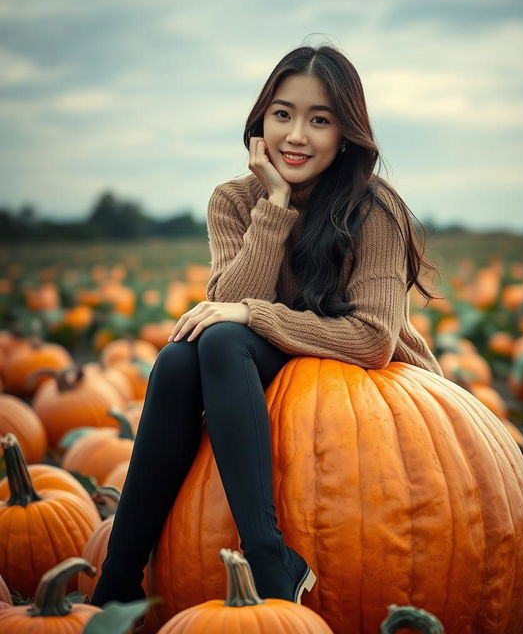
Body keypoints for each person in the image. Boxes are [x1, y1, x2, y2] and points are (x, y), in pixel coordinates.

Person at [90, 43, 443, 622]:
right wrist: (274, 206)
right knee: (181, 358)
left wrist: (258, 317)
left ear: (346, 134)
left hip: (365, 385)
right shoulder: (235, 200)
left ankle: (265, 555)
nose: (297, 135)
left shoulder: (376, 209)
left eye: (319, 119)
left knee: (226, 337)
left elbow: (373, 339)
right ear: (260, 123)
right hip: (265, 362)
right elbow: (227, 303)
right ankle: (119, 581)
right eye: (283, 114)